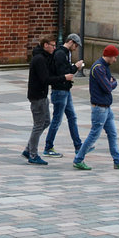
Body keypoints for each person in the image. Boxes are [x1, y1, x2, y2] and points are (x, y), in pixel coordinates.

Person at [72, 45, 119, 171]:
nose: (115, 60)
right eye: (115, 57)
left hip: (106, 107)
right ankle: (78, 159)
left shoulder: (104, 67)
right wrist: (113, 82)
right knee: (94, 134)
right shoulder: (98, 68)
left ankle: (117, 160)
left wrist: (111, 82)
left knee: (112, 133)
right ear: (109, 56)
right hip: (99, 108)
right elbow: (108, 87)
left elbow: (110, 83)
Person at [43, 32, 84, 158]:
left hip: (65, 91)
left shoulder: (65, 53)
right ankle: (48, 147)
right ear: (71, 41)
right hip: (60, 91)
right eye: (76, 46)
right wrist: (75, 67)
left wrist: (72, 67)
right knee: (57, 120)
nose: (76, 48)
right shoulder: (61, 54)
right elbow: (64, 73)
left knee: (72, 117)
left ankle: (78, 146)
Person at [23, 31, 57, 165]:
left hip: (41, 95)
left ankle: (28, 149)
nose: (54, 48)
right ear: (45, 45)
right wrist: (62, 78)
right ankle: (33, 154)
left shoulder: (43, 57)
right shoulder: (39, 59)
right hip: (37, 96)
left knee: (46, 121)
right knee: (38, 125)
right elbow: (45, 79)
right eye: (53, 46)